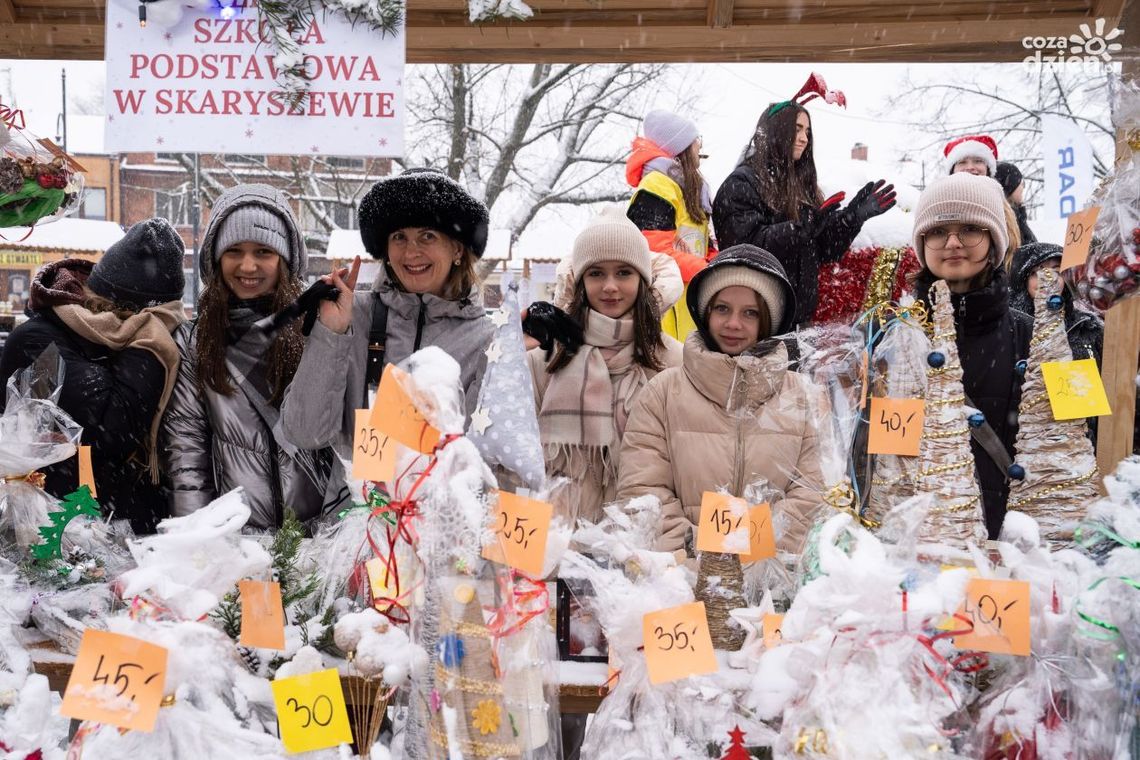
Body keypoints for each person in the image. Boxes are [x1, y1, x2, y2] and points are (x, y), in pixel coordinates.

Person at [162, 184, 349, 531]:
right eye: (234, 251)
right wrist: (197, 543)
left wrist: (337, 531)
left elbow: (342, 442)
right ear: (216, 258)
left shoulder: (316, 328)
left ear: (285, 260)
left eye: (264, 251)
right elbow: (186, 452)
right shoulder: (195, 341)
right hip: (236, 542)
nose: (248, 265)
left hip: (318, 541)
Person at [617, 244, 824, 555]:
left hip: (774, 584)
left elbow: (812, 496)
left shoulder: (805, 398)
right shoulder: (663, 392)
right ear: (706, 312)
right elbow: (643, 491)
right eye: (722, 308)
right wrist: (700, 558)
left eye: (750, 313)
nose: (733, 324)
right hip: (683, 580)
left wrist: (757, 554)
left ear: (769, 321)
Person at [281, 168, 494, 456]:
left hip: (443, 501)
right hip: (355, 501)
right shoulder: (352, 317)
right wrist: (331, 332)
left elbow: (486, 455)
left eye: (428, 236)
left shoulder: (486, 340)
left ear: (457, 249)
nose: (411, 252)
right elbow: (304, 432)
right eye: (399, 237)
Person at [0, 218, 186, 534]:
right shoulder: (39, 341)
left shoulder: (117, 339)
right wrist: (150, 340)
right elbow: (112, 430)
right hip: (54, 534)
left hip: (132, 531)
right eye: (150, 318)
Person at [529, 207, 683, 526]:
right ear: (581, 281)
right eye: (596, 273)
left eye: (623, 273)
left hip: (642, 551)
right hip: (558, 548)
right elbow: (518, 463)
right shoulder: (543, 359)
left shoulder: (675, 363)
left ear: (642, 280)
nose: (610, 286)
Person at [910, 173, 1032, 539]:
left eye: (970, 229)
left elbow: (1071, 437)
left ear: (994, 242)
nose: (952, 243)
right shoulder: (898, 339)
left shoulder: (1033, 336)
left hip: (1011, 544)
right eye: (937, 231)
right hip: (918, 544)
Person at [713, 102, 895, 328]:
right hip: (755, 321)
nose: (804, 139)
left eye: (807, 132)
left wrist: (851, 218)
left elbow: (822, 251)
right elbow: (745, 249)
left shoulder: (800, 186)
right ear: (776, 130)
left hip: (797, 320)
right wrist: (800, 228)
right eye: (797, 129)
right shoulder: (742, 184)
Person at [625, 109, 712, 340]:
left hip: (689, 309)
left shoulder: (690, 189)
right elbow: (654, 253)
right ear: (681, 146)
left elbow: (701, 242)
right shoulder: (657, 186)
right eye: (696, 140)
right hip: (666, 315)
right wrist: (708, 271)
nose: (699, 147)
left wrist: (716, 260)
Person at [995, 161, 1038, 245]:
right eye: (1021, 183)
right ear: (1010, 186)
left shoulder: (1018, 216)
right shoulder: (1004, 221)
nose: (1023, 187)